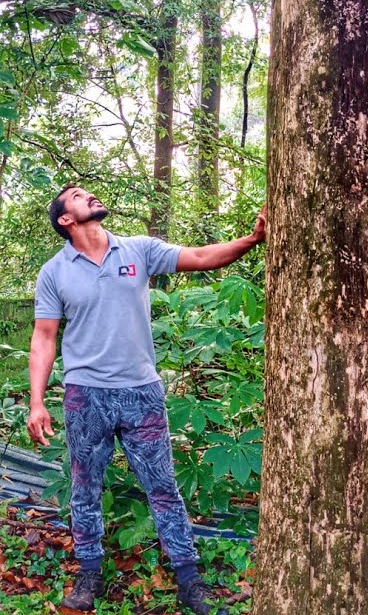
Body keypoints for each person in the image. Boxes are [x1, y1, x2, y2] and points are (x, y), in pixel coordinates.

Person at [26, 184, 266, 615]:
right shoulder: (54, 272)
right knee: (85, 488)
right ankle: (89, 574)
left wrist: (252, 239)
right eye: (78, 196)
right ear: (65, 219)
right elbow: (44, 338)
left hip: (142, 393)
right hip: (86, 395)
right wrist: (37, 402)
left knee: (163, 487)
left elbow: (201, 257)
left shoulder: (138, 249)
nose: (89, 196)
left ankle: (189, 579)